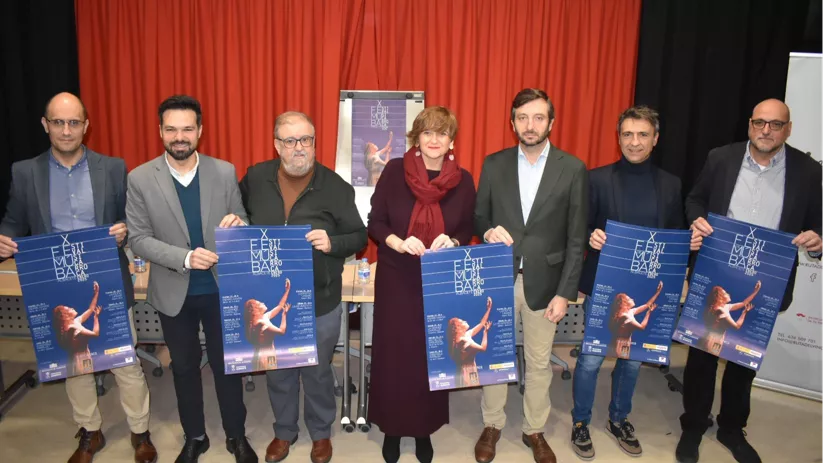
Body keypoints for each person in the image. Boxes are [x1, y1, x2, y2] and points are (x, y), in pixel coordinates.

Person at [0, 92, 156, 463]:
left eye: (74, 123)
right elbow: (13, 219)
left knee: (124, 360)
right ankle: (91, 430)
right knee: (73, 362)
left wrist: (124, 229)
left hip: (106, 278)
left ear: (86, 126)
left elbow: (130, 217)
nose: (66, 130)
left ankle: (141, 431)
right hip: (54, 282)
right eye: (58, 122)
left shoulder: (114, 167)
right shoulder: (25, 171)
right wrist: (3, 237)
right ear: (45, 125)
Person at [678, 98, 823, 463]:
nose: (766, 130)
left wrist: (818, 242)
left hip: (767, 283)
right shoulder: (721, 158)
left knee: (744, 360)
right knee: (702, 357)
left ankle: (731, 428)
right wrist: (696, 220)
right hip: (717, 275)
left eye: (775, 125)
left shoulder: (807, 170)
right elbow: (694, 199)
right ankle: (694, 424)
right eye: (760, 123)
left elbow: (819, 223)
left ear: (788, 129)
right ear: (749, 125)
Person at [126, 95, 255, 463]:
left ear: (200, 131)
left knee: (226, 365)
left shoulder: (224, 171)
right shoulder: (139, 178)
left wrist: (240, 224)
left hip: (220, 288)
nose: (179, 136)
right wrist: (184, 257)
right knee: (183, 368)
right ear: (160, 131)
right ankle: (195, 436)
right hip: (172, 289)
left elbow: (241, 216)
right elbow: (138, 238)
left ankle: (236, 436)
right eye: (171, 129)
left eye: (187, 128)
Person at [239, 111, 367, 463]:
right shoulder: (255, 178)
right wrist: (235, 221)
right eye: (291, 141)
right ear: (277, 144)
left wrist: (333, 242)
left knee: (317, 371)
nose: (299, 148)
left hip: (320, 299)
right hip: (267, 295)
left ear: (314, 142)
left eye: (306, 140)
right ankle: (284, 431)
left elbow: (359, 235)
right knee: (278, 369)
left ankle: (321, 433)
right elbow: (241, 216)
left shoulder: (336, 187)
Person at [474, 88, 587, 463]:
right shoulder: (494, 164)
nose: (530, 125)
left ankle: (533, 430)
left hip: (546, 285)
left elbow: (576, 238)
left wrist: (565, 293)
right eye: (522, 118)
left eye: (538, 117)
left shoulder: (572, 169)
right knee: (494, 356)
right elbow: (479, 217)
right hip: (498, 279)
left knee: (539, 362)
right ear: (512, 123)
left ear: (551, 123)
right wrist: (489, 231)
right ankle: (492, 424)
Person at [571, 105, 685, 460]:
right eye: (627, 134)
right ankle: (580, 421)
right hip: (605, 285)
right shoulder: (598, 178)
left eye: (642, 135)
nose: (634, 142)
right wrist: (592, 237)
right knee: (591, 359)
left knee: (632, 360)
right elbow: (580, 227)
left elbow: (675, 235)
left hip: (646, 288)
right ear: (618, 137)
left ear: (655, 139)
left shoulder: (670, 184)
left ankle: (619, 418)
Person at [368, 105, 476, 463]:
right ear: (417, 137)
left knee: (432, 355)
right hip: (398, 275)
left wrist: (454, 241)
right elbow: (376, 221)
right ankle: (392, 429)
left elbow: (465, 227)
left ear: (451, 141)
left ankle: (423, 429)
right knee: (394, 355)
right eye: (427, 132)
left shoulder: (463, 179)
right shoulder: (396, 171)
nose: (434, 140)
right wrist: (396, 241)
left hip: (440, 277)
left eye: (442, 133)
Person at [53, 281, 103, 376]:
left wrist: (96, 293)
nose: (72, 308)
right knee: (84, 379)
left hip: (81, 356)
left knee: (83, 378)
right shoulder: (74, 328)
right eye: (69, 309)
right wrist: (96, 318)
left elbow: (90, 309)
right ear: (65, 315)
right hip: (80, 359)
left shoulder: (75, 322)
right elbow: (95, 333)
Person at [699, 282, 760, 355]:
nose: (728, 294)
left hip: (717, 339)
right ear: (720, 296)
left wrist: (755, 291)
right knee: (708, 360)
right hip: (712, 340)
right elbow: (737, 326)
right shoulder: (720, 310)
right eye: (725, 293)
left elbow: (744, 303)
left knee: (711, 359)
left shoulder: (725, 307)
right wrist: (744, 313)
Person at [244, 279, 291, 370]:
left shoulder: (263, 317)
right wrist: (284, 315)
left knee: (272, 370)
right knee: (272, 372)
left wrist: (287, 290)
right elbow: (282, 331)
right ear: (255, 309)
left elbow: (280, 305)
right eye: (259, 303)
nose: (263, 302)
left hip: (268, 353)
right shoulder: (261, 323)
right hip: (264, 356)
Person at [607, 282, 662, 359]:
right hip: (620, 344)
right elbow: (642, 327)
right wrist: (648, 313)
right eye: (629, 299)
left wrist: (658, 292)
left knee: (623, 362)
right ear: (624, 303)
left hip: (625, 343)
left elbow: (647, 305)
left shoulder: (629, 312)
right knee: (623, 361)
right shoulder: (625, 317)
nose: (632, 299)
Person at [448, 296, 493, 388]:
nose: (465, 321)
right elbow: (483, 348)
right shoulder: (464, 341)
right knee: (470, 393)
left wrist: (489, 309)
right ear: (458, 327)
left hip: (468, 370)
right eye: (462, 322)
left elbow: (482, 323)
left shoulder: (465, 336)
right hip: (466, 373)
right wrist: (485, 333)